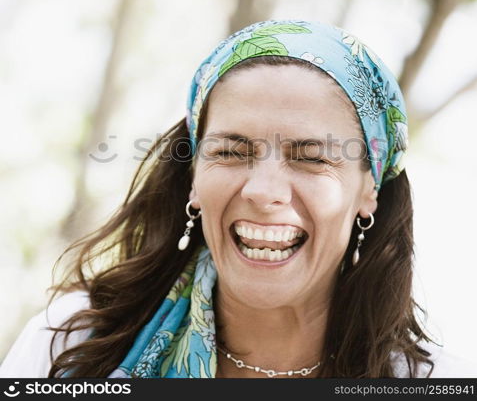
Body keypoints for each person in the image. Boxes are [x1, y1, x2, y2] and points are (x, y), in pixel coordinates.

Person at [1, 20, 476, 378]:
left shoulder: (439, 380)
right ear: (193, 177)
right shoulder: (70, 343)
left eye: (311, 158)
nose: (263, 191)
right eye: (231, 151)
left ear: (368, 191)